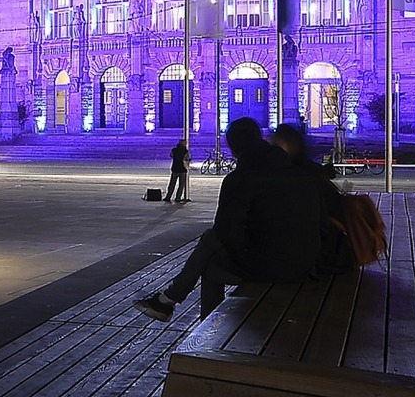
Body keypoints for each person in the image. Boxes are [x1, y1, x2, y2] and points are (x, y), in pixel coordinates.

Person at [134, 117, 322, 321]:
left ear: (233, 149)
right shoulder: (296, 172)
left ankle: (203, 331)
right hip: (307, 262)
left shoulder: (239, 180)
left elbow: (226, 233)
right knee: (212, 243)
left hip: (277, 267)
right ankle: (168, 300)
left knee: (212, 259)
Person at [271, 123, 354, 273]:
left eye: (276, 144)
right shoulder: (307, 170)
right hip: (326, 252)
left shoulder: (297, 175)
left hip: (320, 256)